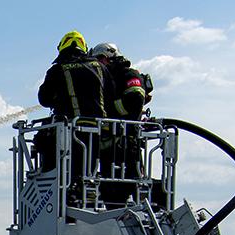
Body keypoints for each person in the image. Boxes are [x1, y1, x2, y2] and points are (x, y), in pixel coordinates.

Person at [36, 31, 109, 198]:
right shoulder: (101, 68)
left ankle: (69, 193)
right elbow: (110, 94)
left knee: (67, 170)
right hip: (99, 131)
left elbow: (44, 99)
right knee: (89, 168)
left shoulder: (58, 70)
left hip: (68, 132)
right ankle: (87, 189)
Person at [88, 42, 153, 203]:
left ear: (106, 57)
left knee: (133, 181)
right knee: (110, 188)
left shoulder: (128, 74)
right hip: (111, 142)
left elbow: (135, 99)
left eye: (97, 61)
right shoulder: (110, 77)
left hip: (127, 141)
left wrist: (110, 111)